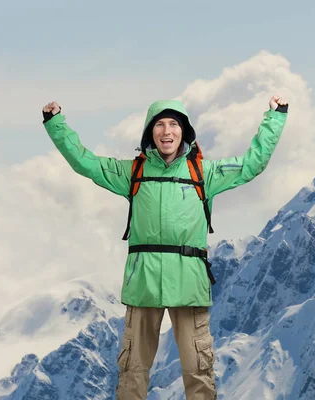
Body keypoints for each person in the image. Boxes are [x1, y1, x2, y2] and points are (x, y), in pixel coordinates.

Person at [41, 95, 288, 399]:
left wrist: (275, 118)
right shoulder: (132, 173)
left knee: (199, 370)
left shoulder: (204, 174)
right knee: (132, 371)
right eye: (159, 124)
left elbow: (252, 164)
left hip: (189, 284)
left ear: (184, 131)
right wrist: (56, 123)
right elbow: (86, 162)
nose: (166, 131)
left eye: (173, 124)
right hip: (144, 283)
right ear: (150, 133)